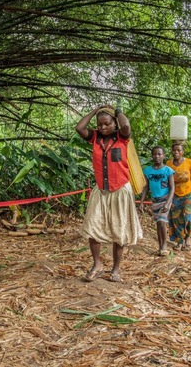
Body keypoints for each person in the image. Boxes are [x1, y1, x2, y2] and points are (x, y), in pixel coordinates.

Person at [75, 105, 142, 283]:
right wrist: (95, 111)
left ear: (115, 123)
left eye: (107, 124)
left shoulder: (122, 137)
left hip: (120, 190)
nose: (103, 127)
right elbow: (79, 128)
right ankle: (97, 264)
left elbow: (126, 126)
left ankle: (116, 270)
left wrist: (117, 111)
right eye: (100, 124)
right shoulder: (95, 138)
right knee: (92, 228)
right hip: (101, 190)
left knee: (119, 231)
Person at [166, 142, 191, 250]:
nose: (176, 152)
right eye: (174, 150)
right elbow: (166, 180)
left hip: (188, 194)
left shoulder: (189, 162)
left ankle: (188, 237)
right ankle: (179, 241)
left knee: (188, 216)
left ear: (182, 152)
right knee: (176, 219)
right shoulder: (169, 164)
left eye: (179, 150)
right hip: (174, 194)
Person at [139, 146, 175, 256]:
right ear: (152, 156)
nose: (157, 156)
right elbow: (146, 187)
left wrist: (168, 202)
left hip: (165, 199)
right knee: (158, 224)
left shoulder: (168, 170)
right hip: (155, 201)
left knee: (162, 222)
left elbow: (172, 187)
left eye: (159, 154)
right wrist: (141, 202)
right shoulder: (148, 171)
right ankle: (160, 246)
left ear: (163, 155)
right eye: (155, 154)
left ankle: (164, 247)